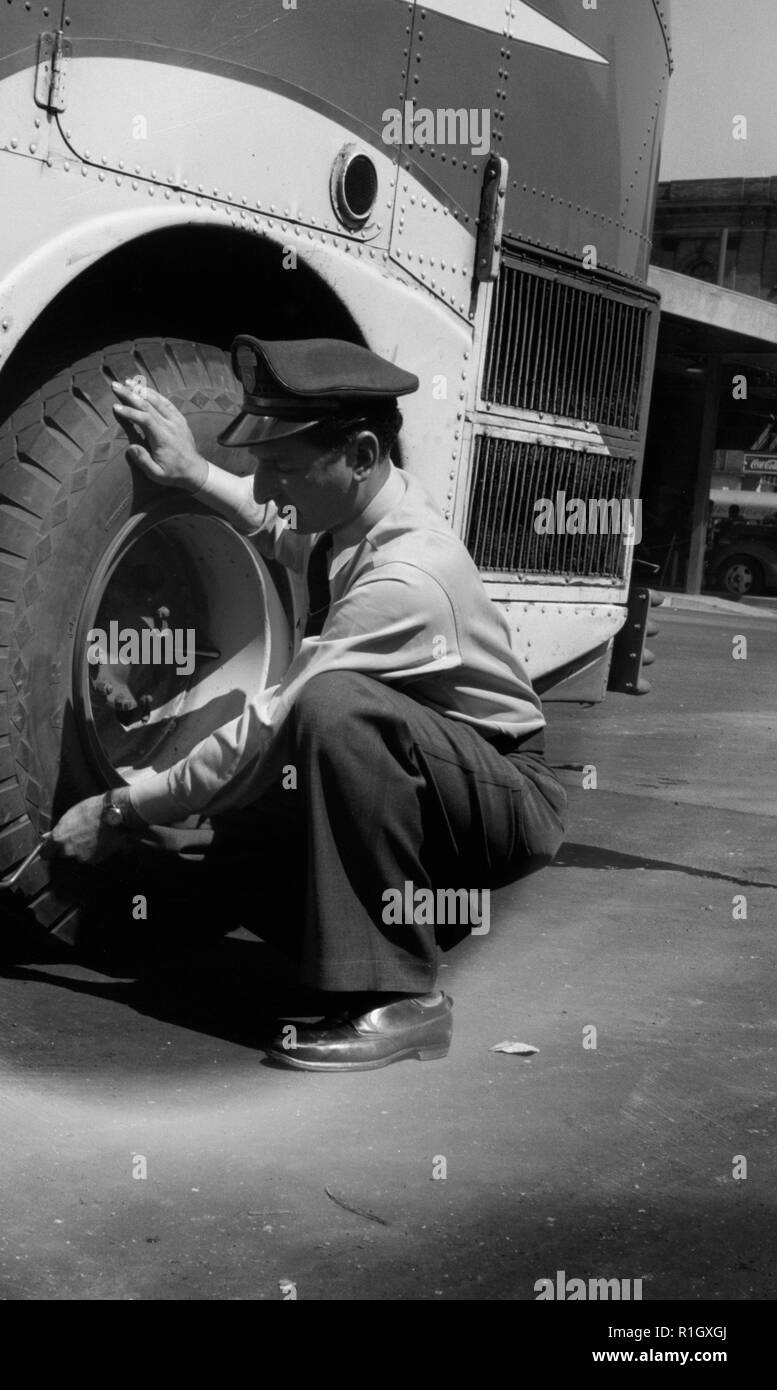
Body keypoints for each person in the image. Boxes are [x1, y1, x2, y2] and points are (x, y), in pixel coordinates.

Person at [49, 336, 567, 1072]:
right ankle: (321, 924)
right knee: (256, 803)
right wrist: (196, 474)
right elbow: (294, 542)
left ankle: (399, 999)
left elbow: (267, 728)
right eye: (261, 462)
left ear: (359, 454)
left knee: (327, 712)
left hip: (496, 800)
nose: (263, 485)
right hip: (431, 777)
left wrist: (121, 809)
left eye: (282, 467)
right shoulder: (366, 513)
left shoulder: (408, 577)